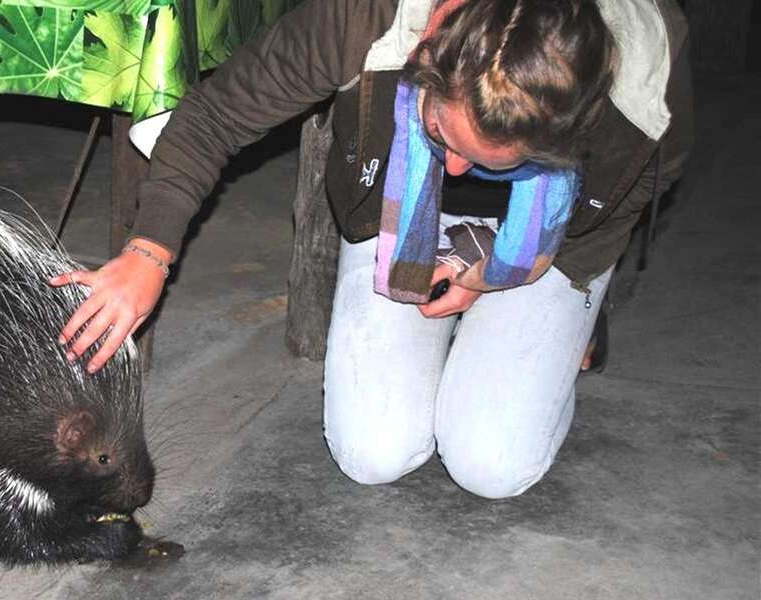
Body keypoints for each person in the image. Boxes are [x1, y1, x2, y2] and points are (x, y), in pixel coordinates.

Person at [48, 0, 693, 499]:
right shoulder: (367, 15)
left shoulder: (643, 68)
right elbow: (213, 116)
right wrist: (149, 250)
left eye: (494, 158)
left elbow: (632, 191)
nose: (462, 173)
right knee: (374, 453)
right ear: (433, 43)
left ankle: (555, 314)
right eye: (444, 133)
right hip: (399, 206)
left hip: (546, 234)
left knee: (492, 464)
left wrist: (517, 268)